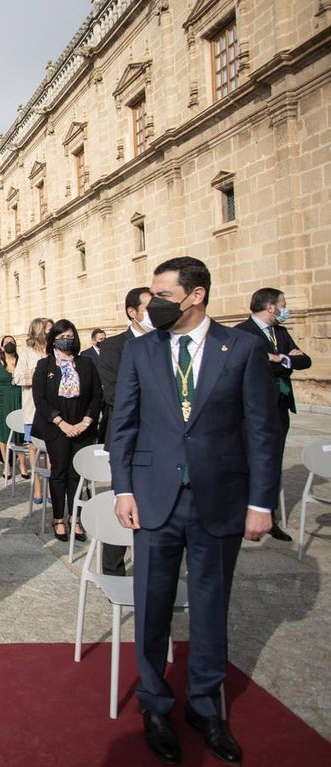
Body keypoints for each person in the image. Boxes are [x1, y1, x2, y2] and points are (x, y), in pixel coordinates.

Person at [110, 257, 280, 766]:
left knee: (210, 607)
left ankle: (205, 707)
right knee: (152, 605)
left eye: (164, 294)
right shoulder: (142, 350)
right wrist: (123, 489)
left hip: (219, 498)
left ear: (196, 295)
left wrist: (261, 502)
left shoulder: (242, 348)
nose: (154, 304)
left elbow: (262, 430)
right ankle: (155, 704)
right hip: (154, 499)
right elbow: (124, 425)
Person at [233, 287, 311, 543]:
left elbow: (305, 361)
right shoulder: (241, 332)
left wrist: (278, 358)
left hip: (279, 406)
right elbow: (248, 367)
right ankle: (243, 513)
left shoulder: (281, 332)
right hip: (251, 409)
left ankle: (269, 515)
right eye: (283, 304)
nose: (285, 309)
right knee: (247, 460)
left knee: (273, 461)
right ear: (270, 307)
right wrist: (285, 360)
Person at [96, 286, 154, 575]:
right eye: (150, 308)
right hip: (129, 438)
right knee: (123, 499)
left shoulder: (168, 342)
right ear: (133, 312)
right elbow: (116, 395)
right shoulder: (114, 347)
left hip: (164, 441)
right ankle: (113, 570)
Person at [31, 320, 103, 542]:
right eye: (61, 336)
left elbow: (97, 395)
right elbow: (40, 399)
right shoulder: (45, 366)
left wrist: (86, 421)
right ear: (53, 339)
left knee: (76, 474)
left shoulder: (85, 363)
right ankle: (58, 518)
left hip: (82, 428)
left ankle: (75, 517)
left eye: (70, 336)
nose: (66, 340)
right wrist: (61, 423)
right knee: (59, 472)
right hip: (57, 428)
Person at [13, 318, 52, 504]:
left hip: (54, 410)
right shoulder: (27, 353)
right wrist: (38, 372)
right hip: (33, 410)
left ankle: (51, 487)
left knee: (52, 450)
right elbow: (18, 378)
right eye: (49, 329)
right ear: (39, 332)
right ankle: (37, 485)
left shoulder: (55, 351)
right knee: (34, 448)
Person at [0, 337, 26, 477]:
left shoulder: (22, 361)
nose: (10, 344)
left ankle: (22, 464)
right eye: (7, 342)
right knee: (3, 434)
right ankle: (6, 465)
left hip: (19, 399)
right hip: (1, 401)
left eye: (12, 342)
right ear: (2, 347)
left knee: (19, 434)